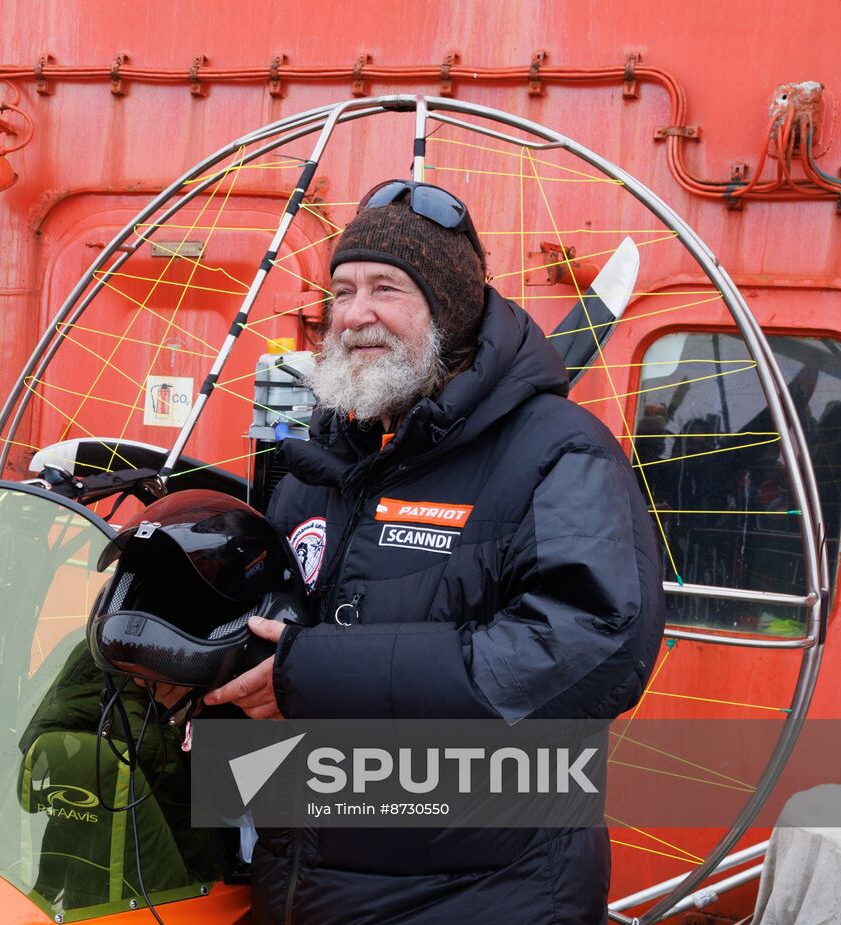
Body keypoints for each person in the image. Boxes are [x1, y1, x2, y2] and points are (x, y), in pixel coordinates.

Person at [204, 180, 667, 923]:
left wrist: (311, 674)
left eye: (386, 287)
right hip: (307, 888)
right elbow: (277, 626)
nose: (355, 314)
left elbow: (588, 651)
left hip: (482, 897)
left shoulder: (560, 452)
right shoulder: (322, 463)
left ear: (449, 310)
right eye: (343, 288)